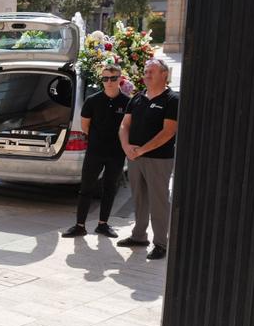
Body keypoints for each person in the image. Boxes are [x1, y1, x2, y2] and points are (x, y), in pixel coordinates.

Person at [117, 58, 179, 261]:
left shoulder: (172, 100)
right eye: (145, 71)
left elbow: (168, 132)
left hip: (158, 159)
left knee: (159, 202)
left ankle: (161, 243)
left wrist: (142, 150)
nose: (147, 75)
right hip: (134, 157)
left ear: (164, 74)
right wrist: (126, 147)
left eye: (152, 71)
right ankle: (139, 236)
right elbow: (124, 125)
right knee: (139, 199)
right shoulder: (136, 98)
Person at [62, 63, 130, 239]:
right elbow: (85, 126)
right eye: (105, 78)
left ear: (120, 79)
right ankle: (80, 225)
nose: (109, 82)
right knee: (86, 188)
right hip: (95, 151)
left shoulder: (127, 102)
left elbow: (129, 127)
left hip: (116, 153)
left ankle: (103, 224)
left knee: (109, 188)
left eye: (113, 78)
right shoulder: (93, 101)